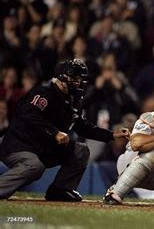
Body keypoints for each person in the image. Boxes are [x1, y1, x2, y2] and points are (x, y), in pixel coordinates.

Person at [0, 59, 130, 201]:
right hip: (20, 145)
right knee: (34, 166)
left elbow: (82, 127)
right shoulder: (44, 93)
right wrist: (54, 132)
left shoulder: (71, 100)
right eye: (75, 78)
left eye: (80, 79)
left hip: (42, 148)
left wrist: (111, 135)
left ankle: (60, 190)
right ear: (62, 78)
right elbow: (29, 115)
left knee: (80, 150)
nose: (79, 82)